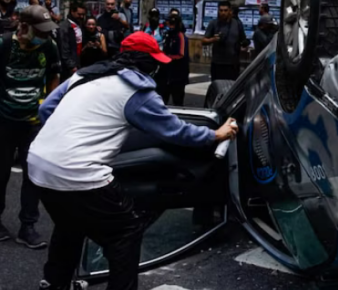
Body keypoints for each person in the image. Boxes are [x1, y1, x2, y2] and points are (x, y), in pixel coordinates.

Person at [28, 32, 237, 290]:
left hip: (38, 164)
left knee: (69, 225)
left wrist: (68, 137)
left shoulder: (84, 75)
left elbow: (46, 108)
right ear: (146, 62)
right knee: (125, 233)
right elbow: (174, 131)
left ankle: (54, 283)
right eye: (154, 61)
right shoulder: (136, 90)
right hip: (78, 174)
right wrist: (215, 134)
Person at [0, 5, 60, 249]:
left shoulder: (48, 46)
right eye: (40, 31)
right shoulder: (4, 45)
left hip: (33, 123)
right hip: (3, 120)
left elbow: (54, 76)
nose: (44, 35)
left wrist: (49, 107)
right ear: (23, 26)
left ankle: (28, 225)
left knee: (32, 175)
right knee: (1, 173)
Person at [202, 1, 248, 81]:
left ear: (230, 11)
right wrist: (213, 39)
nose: (223, 13)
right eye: (221, 10)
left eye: (225, 10)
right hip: (217, 63)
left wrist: (244, 47)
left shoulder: (237, 24)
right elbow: (204, 41)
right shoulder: (213, 23)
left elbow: (243, 40)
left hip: (233, 64)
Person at [159, 15, 189, 106]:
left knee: (177, 101)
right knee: (163, 99)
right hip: (167, 73)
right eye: (168, 24)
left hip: (178, 74)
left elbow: (181, 54)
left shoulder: (180, 36)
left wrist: (166, 57)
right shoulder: (167, 35)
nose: (170, 26)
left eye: (172, 24)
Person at [56, 2, 86, 81]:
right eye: (79, 14)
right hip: (69, 66)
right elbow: (64, 48)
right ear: (72, 12)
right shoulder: (64, 27)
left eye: (83, 14)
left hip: (79, 62)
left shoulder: (80, 25)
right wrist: (71, 66)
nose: (81, 16)